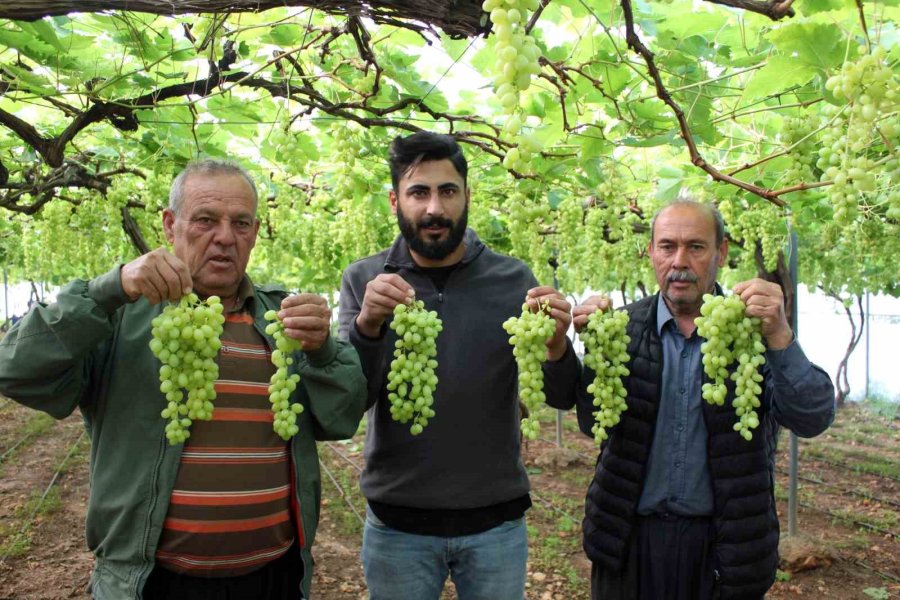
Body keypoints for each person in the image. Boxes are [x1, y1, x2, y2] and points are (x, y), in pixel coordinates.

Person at [0, 159, 367, 600]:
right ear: (170, 226)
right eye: (206, 220)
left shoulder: (283, 319)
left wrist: (323, 349)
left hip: (274, 580)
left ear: (254, 233)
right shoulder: (118, 318)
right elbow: (14, 368)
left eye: (242, 223)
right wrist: (107, 290)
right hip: (150, 585)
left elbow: (345, 416)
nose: (225, 237)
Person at [337, 131, 578, 600]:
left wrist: (556, 347)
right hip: (397, 525)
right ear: (395, 201)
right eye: (418, 192)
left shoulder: (514, 279)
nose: (434, 208)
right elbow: (349, 402)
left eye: (447, 191)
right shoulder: (364, 280)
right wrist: (367, 327)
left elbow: (559, 395)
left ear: (467, 195)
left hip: (496, 523)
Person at [566, 198, 835, 600]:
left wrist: (781, 335)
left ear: (721, 252)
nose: (679, 261)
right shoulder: (622, 328)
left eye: (696, 246)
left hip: (724, 551)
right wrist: (587, 352)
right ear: (651, 251)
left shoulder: (753, 333)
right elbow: (593, 423)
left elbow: (812, 417)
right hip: (628, 544)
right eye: (667, 246)